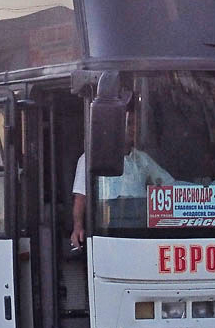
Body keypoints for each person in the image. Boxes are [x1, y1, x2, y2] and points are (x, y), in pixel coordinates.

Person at [71, 104, 172, 250]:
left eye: (136, 124)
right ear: (114, 125)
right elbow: (81, 198)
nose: (134, 128)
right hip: (109, 232)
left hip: (142, 231)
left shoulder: (142, 159)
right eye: (129, 123)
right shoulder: (90, 158)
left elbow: (169, 184)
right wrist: (78, 227)